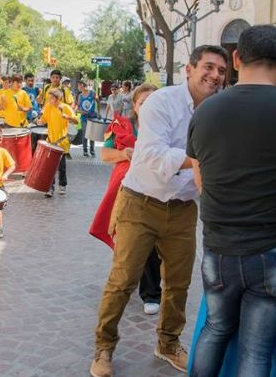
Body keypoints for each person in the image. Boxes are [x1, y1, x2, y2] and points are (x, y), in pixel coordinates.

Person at [187, 26, 276, 376]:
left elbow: (200, 179)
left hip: (218, 247)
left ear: (236, 60)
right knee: (256, 349)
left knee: (215, 329)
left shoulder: (205, 111)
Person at [89, 45, 228, 377]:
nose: (215, 75)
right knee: (122, 281)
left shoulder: (219, 111)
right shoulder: (160, 102)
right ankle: (103, 348)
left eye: (222, 71)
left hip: (182, 209)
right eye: (208, 67)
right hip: (140, 202)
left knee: (179, 284)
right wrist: (199, 160)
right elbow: (151, 154)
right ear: (189, 70)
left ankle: (167, 344)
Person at [89, 83, 162, 316]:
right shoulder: (121, 125)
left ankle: (151, 292)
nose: (147, 106)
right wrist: (123, 154)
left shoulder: (167, 126)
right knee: (127, 241)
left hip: (156, 190)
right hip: (125, 190)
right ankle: (125, 283)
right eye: (143, 102)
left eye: (152, 102)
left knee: (152, 241)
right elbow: (105, 154)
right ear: (135, 105)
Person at [35, 88, 75, 198]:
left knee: (61, 166)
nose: (49, 100)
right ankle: (50, 188)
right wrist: (39, 121)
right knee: (49, 167)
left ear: (58, 99)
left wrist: (68, 117)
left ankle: (62, 185)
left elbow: (76, 121)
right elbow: (44, 119)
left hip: (62, 142)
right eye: (49, 98)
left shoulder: (65, 108)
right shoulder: (48, 107)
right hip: (50, 141)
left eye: (52, 98)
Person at [76, 79, 98, 157]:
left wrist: (98, 112)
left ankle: (92, 150)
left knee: (92, 134)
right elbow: (78, 108)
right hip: (84, 118)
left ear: (82, 85)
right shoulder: (80, 96)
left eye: (79, 85)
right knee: (85, 134)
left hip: (93, 117)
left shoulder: (92, 93)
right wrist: (80, 111)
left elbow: (98, 101)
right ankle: (85, 150)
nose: (78, 87)